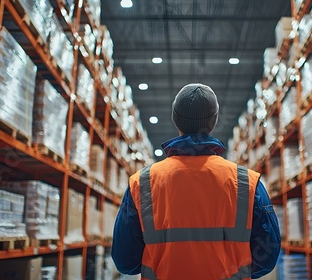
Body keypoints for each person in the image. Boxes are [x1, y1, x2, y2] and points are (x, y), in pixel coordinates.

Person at [112, 83, 281, 279]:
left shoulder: (142, 183)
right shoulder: (247, 182)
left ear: (176, 120)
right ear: (213, 121)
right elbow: (267, 257)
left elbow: (125, 260)